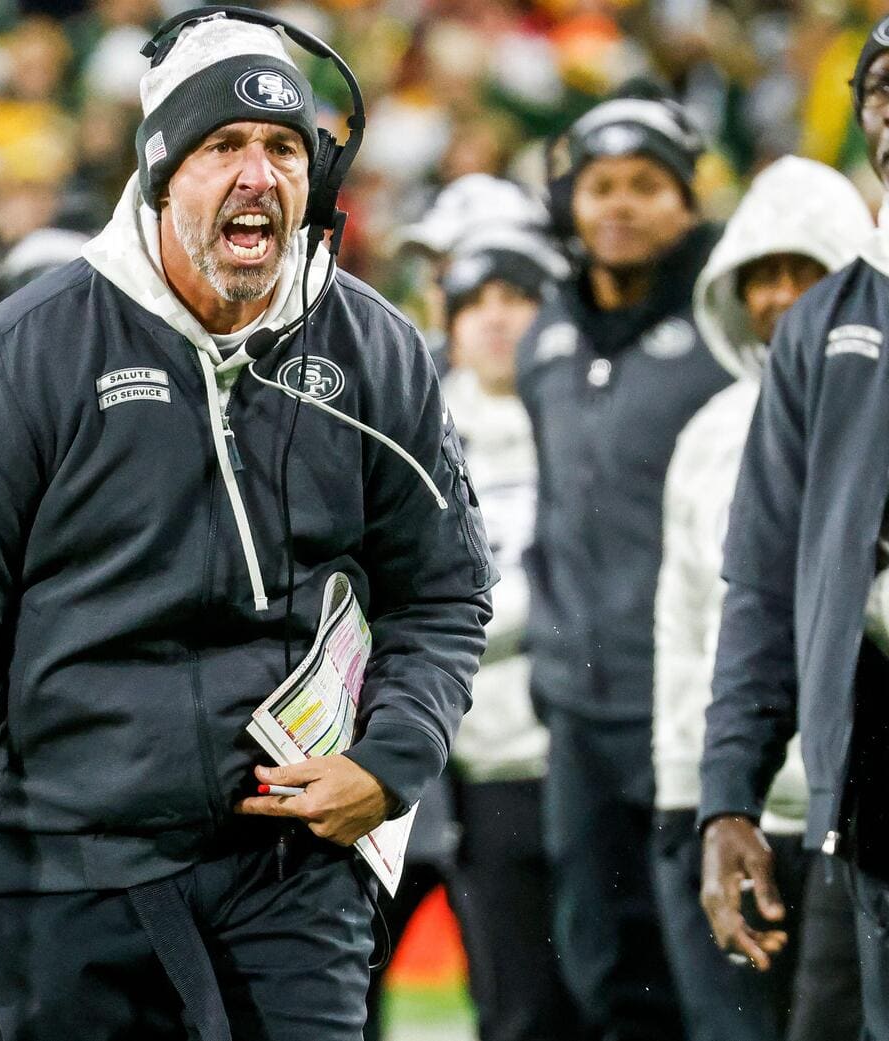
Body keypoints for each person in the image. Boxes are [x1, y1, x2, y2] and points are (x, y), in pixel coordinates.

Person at [0, 11, 493, 1041]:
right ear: (162, 173)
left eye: (285, 148)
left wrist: (392, 760)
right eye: (224, 147)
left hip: (294, 871)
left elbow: (444, 587)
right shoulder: (26, 350)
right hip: (71, 864)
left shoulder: (375, 347)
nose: (260, 174)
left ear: (318, 180)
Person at [516, 90, 732, 1041]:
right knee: (600, 963)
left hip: (686, 704)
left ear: (689, 201)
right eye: (601, 185)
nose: (621, 205)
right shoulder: (547, 338)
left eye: (648, 185)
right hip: (580, 710)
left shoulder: (726, 338)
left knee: (708, 967)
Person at [698, 19, 889, 1040]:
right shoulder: (823, 327)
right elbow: (763, 577)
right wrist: (730, 795)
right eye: (884, 88)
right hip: (876, 772)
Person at [654, 155, 870, 1041]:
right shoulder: (706, 435)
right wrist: (689, 796)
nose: (782, 297)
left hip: (852, 813)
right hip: (729, 809)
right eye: (763, 276)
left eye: (805, 271)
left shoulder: (873, 415)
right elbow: (687, 625)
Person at [437, 186, 582, 1041]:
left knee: (611, 989)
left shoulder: (591, 405)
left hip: (585, 744)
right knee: (516, 1002)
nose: (496, 319)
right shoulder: (411, 422)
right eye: (476, 300)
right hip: (472, 757)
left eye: (516, 296)